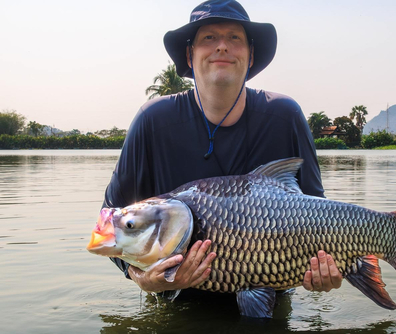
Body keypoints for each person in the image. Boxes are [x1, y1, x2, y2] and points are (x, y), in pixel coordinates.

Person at [103, 0, 342, 298]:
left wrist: (326, 265)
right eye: (209, 37)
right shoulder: (153, 120)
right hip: (178, 302)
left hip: (273, 295)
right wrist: (140, 276)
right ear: (190, 55)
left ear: (251, 55)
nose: (222, 47)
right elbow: (111, 223)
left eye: (234, 37)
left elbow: (318, 212)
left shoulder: (285, 116)